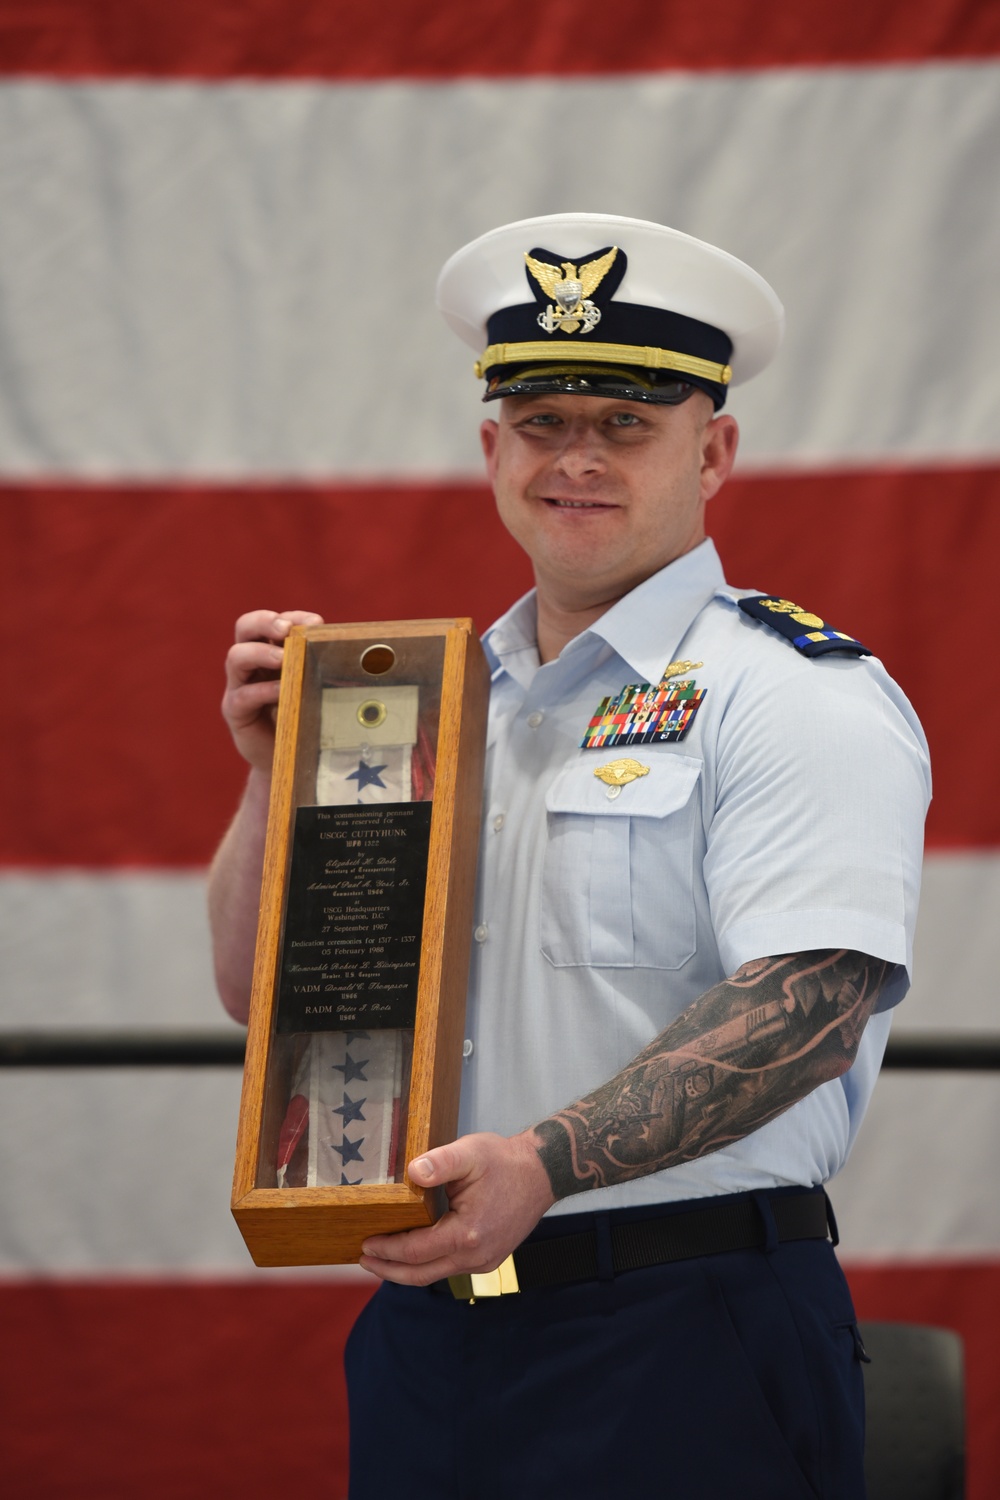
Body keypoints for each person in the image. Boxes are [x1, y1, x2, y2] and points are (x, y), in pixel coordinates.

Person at [209, 214, 930, 1498]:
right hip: (437, 1333)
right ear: (493, 448)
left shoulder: (792, 693)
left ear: (712, 453)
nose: (577, 458)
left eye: (626, 423)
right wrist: (277, 778)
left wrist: (542, 1164)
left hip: (685, 1327)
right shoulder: (413, 704)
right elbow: (264, 997)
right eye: (544, 421)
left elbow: (813, 1001)